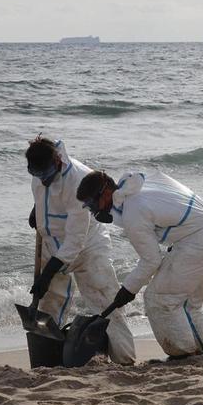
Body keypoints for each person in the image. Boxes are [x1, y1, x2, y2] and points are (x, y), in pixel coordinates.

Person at [76, 169, 203, 359]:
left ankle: (184, 355)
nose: (92, 210)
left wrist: (128, 289)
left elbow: (151, 260)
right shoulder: (136, 186)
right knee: (188, 304)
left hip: (197, 243)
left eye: (91, 204)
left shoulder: (133, 211)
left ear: (105, 193)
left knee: (159, 299)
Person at [25, 137, 135, 365]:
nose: (42, 181)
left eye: (45, 175)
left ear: (57, 162)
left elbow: (76, 239)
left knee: (105, 302)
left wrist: (47, 274)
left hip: (88, 248)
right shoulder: (40, 173)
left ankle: (125, 360)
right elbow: (44, 193)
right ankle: (48, 360)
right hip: (51, 243)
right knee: (49, 303)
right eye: (36, 175)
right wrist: (37, 209)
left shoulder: (77, 180)